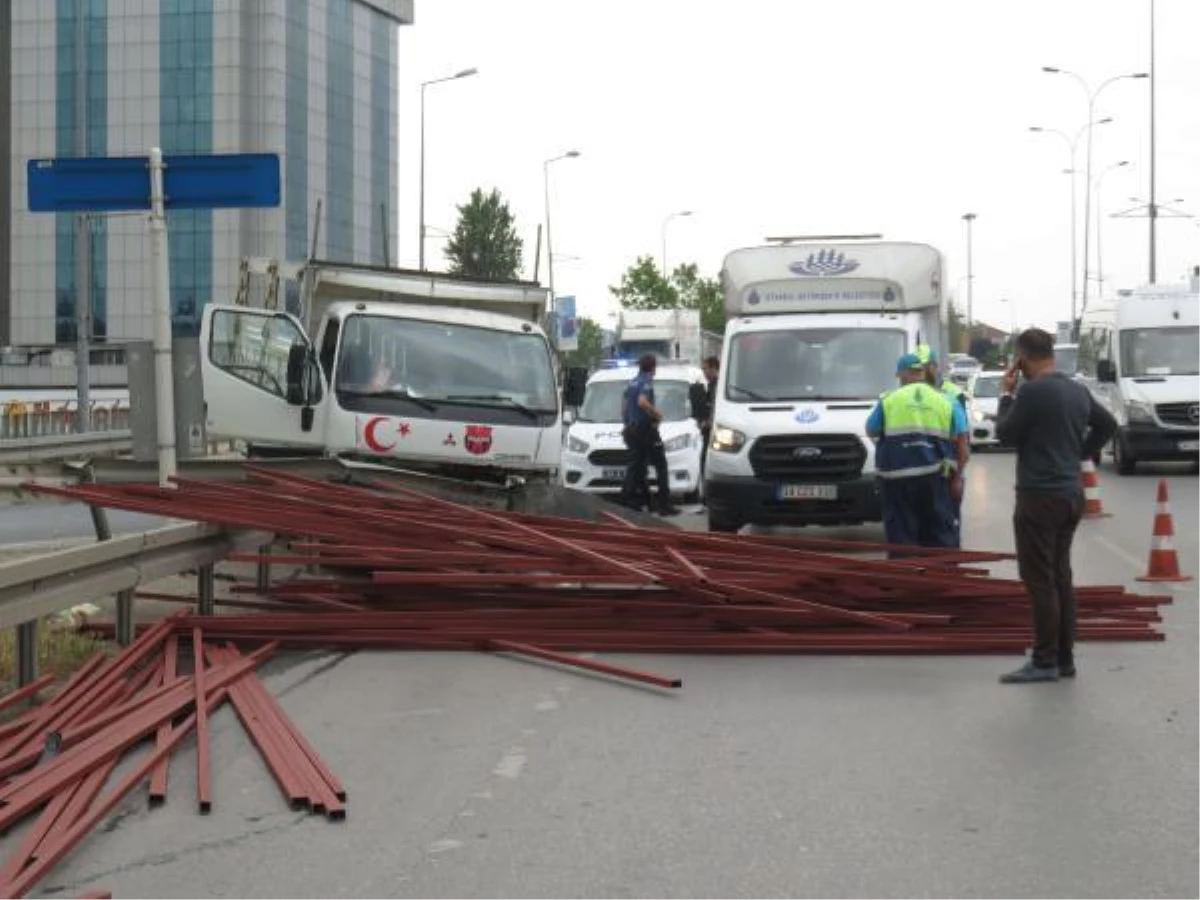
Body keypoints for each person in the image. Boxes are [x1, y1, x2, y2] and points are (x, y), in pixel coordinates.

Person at [994, 328, 1117, 684]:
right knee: (1061, 576)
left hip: (1038, 496)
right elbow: (1107, 424)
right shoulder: (1076, 390)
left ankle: (1045, 660)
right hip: (1070, 495)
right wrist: (1077, 453)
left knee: (1040, 580)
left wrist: (1006, 394)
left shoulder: (1031, 392)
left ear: (1023, 357)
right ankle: (1065, 658)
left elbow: (1005, 433)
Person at [866, 353, 965, 556]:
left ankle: (907, 581)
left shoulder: (889, 400)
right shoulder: (946, 401)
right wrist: (958, 478)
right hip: (935, 478)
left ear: (900, 374)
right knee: (939, 534)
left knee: (901, 537)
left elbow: (871, 430)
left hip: (896, 479)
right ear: (922, 372)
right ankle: (941, 579)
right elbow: (960, 442)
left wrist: (891, 447)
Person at [915, 345, 970, 546]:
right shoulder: (908, 393)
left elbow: (963, 440)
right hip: (920, 474)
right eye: (917, 368)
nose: (920, 372)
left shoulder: (953, 394)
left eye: (924, 367)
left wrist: (958, 477)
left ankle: (949, 570)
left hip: (946, 474)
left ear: (935, 367)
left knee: (947, 528)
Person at [620, 354, 680, 516]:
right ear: (653, 367)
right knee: (661, 464)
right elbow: (642, 401)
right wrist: (658, 414)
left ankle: (635, 500)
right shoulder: (646, 381)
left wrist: (627, 423)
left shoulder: (632, 382)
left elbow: (625, 405)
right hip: (645, 429)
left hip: (632, 428)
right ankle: (664, 504)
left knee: (637, 465)